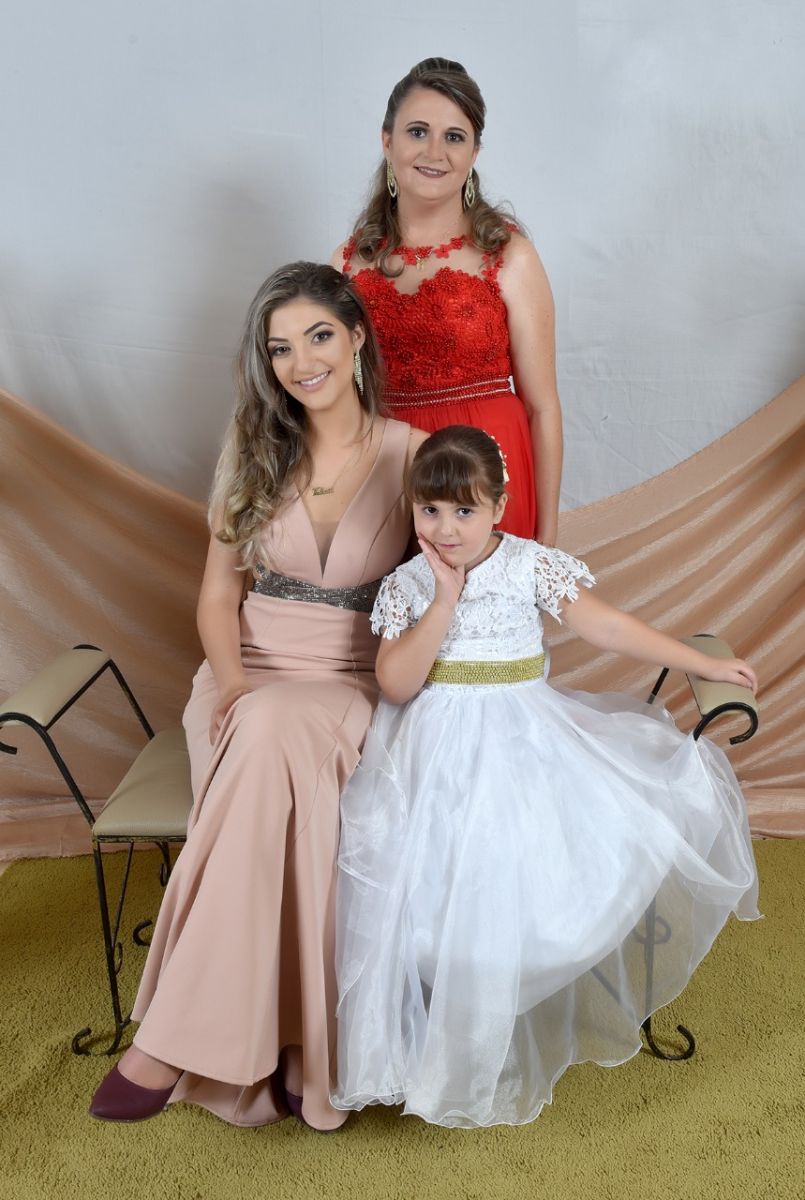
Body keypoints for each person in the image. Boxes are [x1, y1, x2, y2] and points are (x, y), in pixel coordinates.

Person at [332, 425, 760, 1129]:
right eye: (429, 510)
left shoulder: (529, 565)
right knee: (431, 897)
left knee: (533, 878)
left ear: (498, 508)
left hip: (525, 735)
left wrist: (700, 662)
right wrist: (442, 602)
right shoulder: (407, 584)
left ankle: (506, 999)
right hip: (436, 751)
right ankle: (444, 1020)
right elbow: (397, 684)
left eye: (464, 510)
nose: (445, 529)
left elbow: (608, 628)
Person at [89, 262, 426, 1130]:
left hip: (350, 681)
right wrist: (233, 685)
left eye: (318, 336)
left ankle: (171, 1040)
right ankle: (300, 1047)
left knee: (282, 740)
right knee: (266, 736)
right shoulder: (251, 448)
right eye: (279, 348)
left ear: (356, 337)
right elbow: (215, 597)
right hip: (243, 672)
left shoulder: (414, 454)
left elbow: (446, 586)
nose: (301, 362)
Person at [333, 56, 562, 544]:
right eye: (418, 131)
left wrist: (547, 544)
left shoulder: (510, 256)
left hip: (486, 475)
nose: (434, 152)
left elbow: (543, 408)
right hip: (387, 479)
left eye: (454, 137)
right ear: (387, 141)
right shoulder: (348, 264)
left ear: (475, 152)